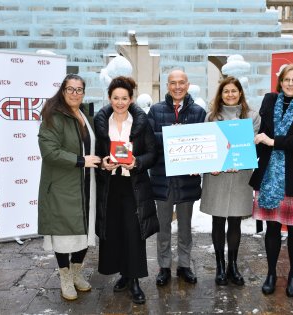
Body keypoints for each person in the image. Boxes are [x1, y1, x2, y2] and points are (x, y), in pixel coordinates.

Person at [249, 64, 293, 297]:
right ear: (280, 82)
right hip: (270, 175)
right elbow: (258, 130)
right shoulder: (269, 102)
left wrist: (273, 142)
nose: (290, 83)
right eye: (286, 80)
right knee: (272, 227)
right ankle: (271, 273)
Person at [94, 76, 159, 304]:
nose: (120, 102)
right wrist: (103, 163)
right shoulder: (101, 122)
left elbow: (152, 154)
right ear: (109, 98)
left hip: (134, 184)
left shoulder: (141, 123)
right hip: (110, 185)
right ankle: (123, 274)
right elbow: (96, 152)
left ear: (131, 99)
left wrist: (136, 163)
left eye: (124, 98)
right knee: (114, 232)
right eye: (115, 98)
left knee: (134, 232)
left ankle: (135, 280)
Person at [38, 74, 100, 300]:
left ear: (84, 92)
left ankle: (76, 271)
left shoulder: (85, 114)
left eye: (79, 89)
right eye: (70, 89)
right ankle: (64, 275)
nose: (75, 93)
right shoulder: (52, 115)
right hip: (62, 185)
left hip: (86, 183)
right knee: (64, 232)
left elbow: (95, 145)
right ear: (62, 91)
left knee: (85, 230)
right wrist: (82, 161)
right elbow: (50, 152)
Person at [200, 76, 260, 286]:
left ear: (240, 93)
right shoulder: (212, 117)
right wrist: (213, 163)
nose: (230, 94)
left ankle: (232, 266)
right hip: (217, 174)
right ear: (221, 94)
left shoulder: (252, 116)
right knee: (218, 219)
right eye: (226, 91)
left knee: (235, 220)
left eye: (234, 90)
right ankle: (219, 266)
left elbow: (251, 145)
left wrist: (238, 159)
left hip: (241, 174)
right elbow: (207, 147)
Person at [148, 70, 206, 286]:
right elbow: (147, 140)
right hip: (162, 178)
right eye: (173, 83)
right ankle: (164, 267)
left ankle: (184, 265)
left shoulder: (199, 112)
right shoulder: (155, 111)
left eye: (181, 82)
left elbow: (204, 142)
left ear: (188, 84)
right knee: (163, 225)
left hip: (186, 179)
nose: (178, 87)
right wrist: (171, 134)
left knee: (185, 225)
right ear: (167, 85)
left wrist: (200, 163)